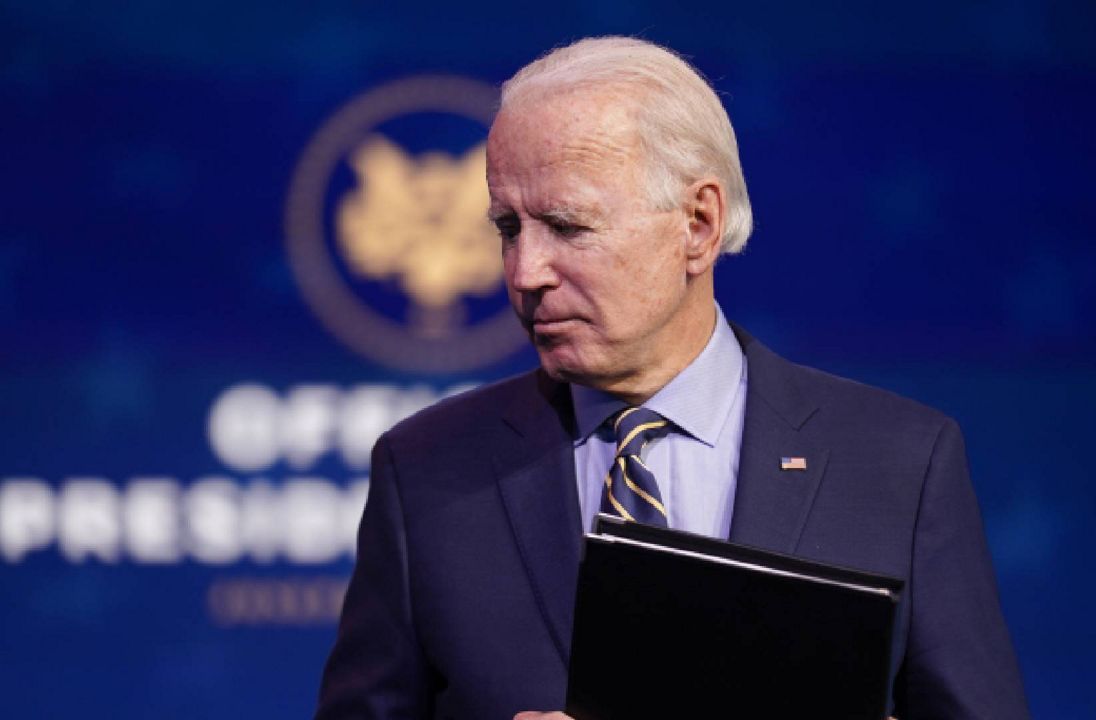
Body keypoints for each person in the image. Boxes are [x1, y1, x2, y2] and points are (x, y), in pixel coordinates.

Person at [316, 36, 1029, 719]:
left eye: (567, 226)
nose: (526, 273)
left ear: (698, 223)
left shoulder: (898, 463)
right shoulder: (427, 470)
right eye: (509, 228)